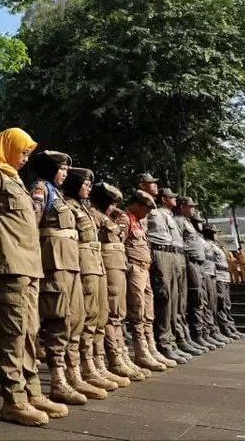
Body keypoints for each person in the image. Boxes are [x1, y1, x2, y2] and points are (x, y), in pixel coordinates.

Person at [0, 128, 67, 427]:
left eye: (27, 154)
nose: (25, 158)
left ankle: (32, 391)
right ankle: (14, 400)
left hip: (29, 266)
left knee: (29, 332)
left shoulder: (17, 181)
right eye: (22, 152)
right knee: (12, 335)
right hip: (9, 266)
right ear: (7, 147)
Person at [27, 151, 96, 405]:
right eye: (61, 168)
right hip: (53, 263)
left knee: (76, 317)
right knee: (58, 319)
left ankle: (73, 374)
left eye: (67, 169)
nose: (65, 173)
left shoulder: (59, 195)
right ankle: (57, 379)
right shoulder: (40, 189)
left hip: (70, 263)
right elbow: (31, 225)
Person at [62, 167, 123, 394]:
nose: (87, 188)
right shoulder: (67, 206)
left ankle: (95, 363)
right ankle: (79, 370)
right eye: (84, 184)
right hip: (83, 266)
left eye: (89, 185)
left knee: (100, 316)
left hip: (96, 264)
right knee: (83, 319)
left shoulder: (84, 209)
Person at [87, 182, 145, 383]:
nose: (113, 207)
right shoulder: (94, 215)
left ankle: (121, 354)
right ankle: (113, 357)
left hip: (118, 266)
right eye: (110, 203)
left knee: (118, 313)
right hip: (107, 265)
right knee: (110, 314)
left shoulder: (107, 217)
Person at [123, 192, 170, 373]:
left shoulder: (139, 222)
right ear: (137, 205)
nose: (148, 213)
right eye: (146, 209)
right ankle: (140, 351)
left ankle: (150, 348)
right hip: (134, 269)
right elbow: (118, 245)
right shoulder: (125, 219)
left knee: (148, 312)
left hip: (145, 269)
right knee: (137, 311)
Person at [145, 185, 191, 364]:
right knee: (164, 298)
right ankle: (164, 342)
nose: (175, 200)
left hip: (175, 254)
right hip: (160, 253)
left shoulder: (170, 216)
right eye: (172, 197)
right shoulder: (152, 212)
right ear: (163, 199)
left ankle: (174, 340)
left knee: (176, 300)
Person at [176, 198, 218, 352]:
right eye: (190, 207)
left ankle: (204, 332)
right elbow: (179, 242)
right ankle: (196, 333)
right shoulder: (179, 221)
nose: (193, 210)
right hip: (189, 261)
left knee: (203, 300)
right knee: (195, 298)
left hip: (200, 264)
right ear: (182, 207)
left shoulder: (188, 224)